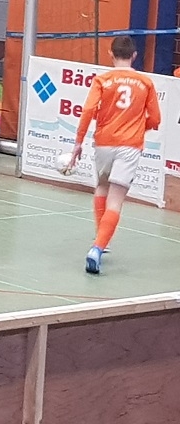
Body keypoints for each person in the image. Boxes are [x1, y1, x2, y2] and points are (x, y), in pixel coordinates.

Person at [66, 36, 160, 275]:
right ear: (134, 55)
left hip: (104, 142)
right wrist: (138, 127)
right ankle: (97, 248)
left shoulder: (102, 80)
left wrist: (78, 143)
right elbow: (155, 119)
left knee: (101, 187)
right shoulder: (145, 82)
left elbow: (88, 110)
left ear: (111, 54)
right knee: (116, 200)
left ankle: (101, 238)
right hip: (130, 145)